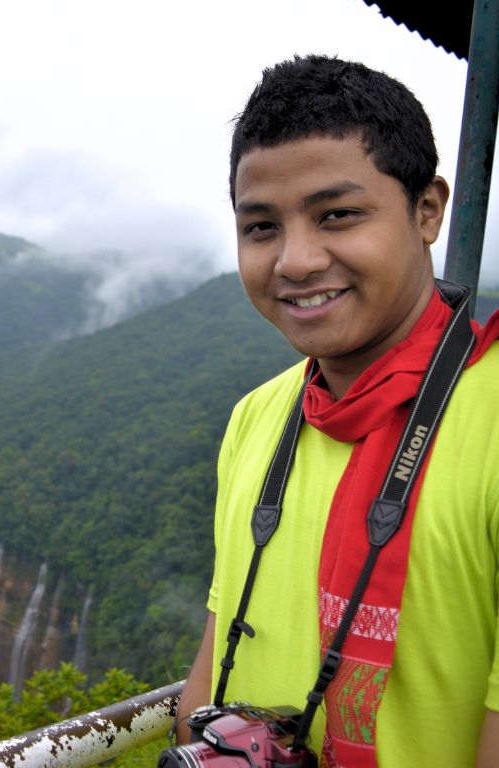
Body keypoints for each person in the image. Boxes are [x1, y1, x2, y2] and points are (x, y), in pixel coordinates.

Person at [176, 55, 499, 767]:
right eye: (261, 227)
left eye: (338, 215)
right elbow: (210, 664)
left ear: (427, 210)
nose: (295, 260)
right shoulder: (257, 418)